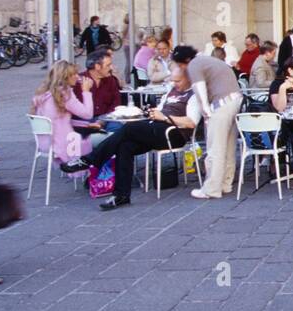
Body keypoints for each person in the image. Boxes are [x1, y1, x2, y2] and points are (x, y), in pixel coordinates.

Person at [60, 72, 199, 210]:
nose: (175, 84)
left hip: (175, 134)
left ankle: (89, 160)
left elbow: (191, 123)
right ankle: (121, 195)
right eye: (173, 81)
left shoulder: (193, 95)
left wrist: (164, 118)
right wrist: (152, 113)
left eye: (178, 81)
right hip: (156, 129)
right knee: (125, 146)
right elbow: (160, 111)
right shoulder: (171, 91)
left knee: (129, 129)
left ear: (188, 79)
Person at [171, 45, 243, 200]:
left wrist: (205, 110)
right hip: (235, 100)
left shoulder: (194, 65)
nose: (181, 68)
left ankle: (211, 189)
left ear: (184, 61)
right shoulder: (208, 61)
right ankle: (225, 183)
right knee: (229, 146)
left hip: (221, 104)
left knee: (215, 147)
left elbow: (199, 87)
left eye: (179, 65)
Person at [31, 60, 96, 164]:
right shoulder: (65, 94)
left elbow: (58, 121)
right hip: (65, 144)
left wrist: (86, 125)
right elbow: (88, 114)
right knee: (106, 140)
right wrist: (86, 91)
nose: (77, 76)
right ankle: (99, 176)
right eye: (73, 74)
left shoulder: (43, 94)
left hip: (45, 143)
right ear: (65, 77)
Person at [81, 49, 122, 122]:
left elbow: (116, 102)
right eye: (108, 65)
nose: (111, 68)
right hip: (85, 121)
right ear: (97, 66)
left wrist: (105, 119)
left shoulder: (111, 80)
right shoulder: (79, 81)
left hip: (108, 118)